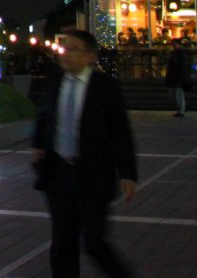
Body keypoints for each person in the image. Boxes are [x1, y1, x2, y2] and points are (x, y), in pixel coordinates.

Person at [33, 28, 137, 278]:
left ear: (90, 56)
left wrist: (127, 173)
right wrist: (38, 146)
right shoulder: (55, 82)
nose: (65, 53)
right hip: (59, 175)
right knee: (62, 246)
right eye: (64, 47)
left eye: (73, 48)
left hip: (94, 176)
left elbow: (121, 131)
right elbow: (45, 118)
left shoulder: (105, 87)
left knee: (94, 242)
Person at [165, 38, 189, 117]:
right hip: (174, 76)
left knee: (178, 93)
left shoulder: (180, 54)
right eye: (173, 44)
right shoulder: (174, 54)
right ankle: (182, 108)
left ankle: (181, 110)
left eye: (175, 44)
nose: (173, 46)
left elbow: (182, 66)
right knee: (175, 93)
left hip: (177, 77)